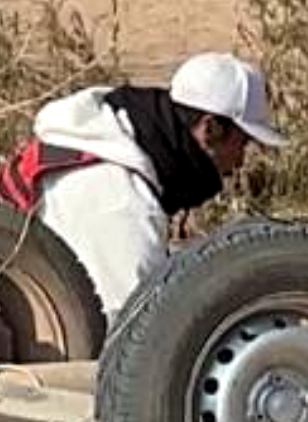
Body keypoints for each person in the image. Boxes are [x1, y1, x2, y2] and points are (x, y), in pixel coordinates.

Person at [0, 52, 286, 318]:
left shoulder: (106, 137)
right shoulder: (120, 203)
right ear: (209, 129)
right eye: (243, 143)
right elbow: (129, 343)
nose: (240, 162)